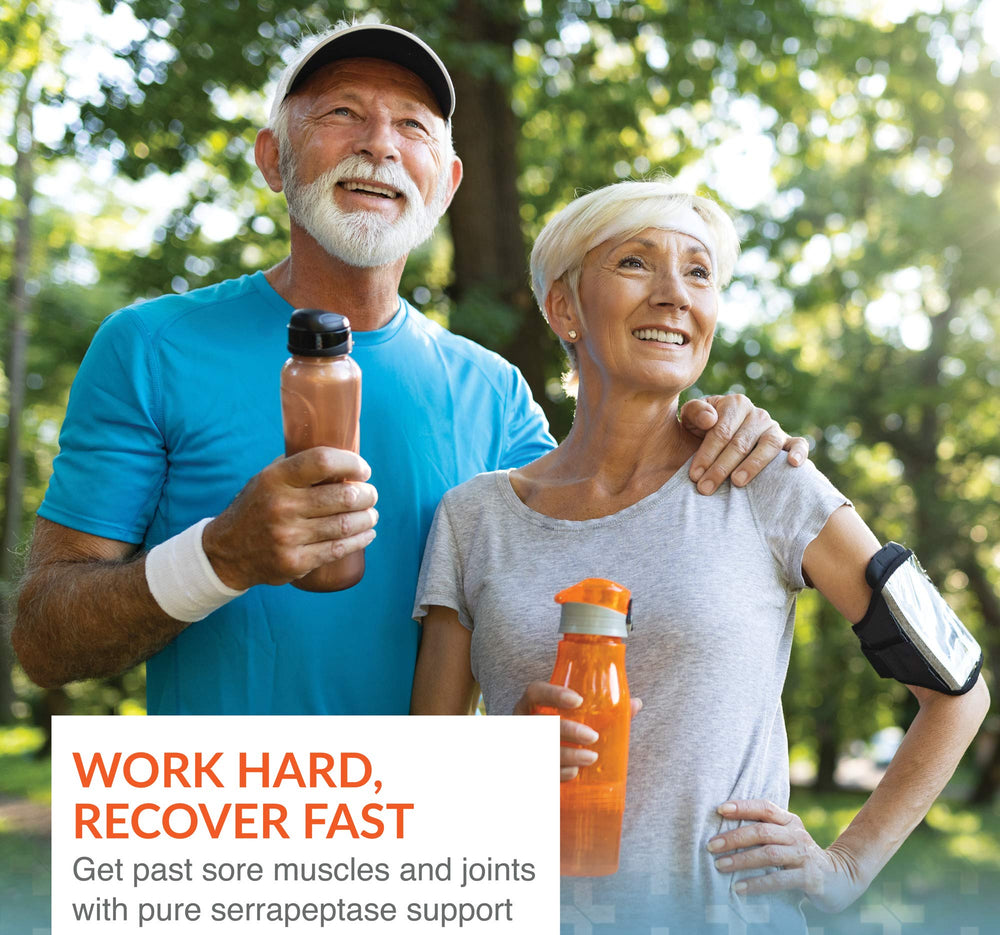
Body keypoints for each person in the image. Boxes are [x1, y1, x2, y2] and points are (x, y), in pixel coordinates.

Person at [13, 23, 806, 715]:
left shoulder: (494, 393)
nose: (380, 144)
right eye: (341, 113)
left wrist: (713, 428)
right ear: (272, 159)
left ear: (447, 182)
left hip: (432, 854)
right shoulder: (150, 347)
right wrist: (220, 556)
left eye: (415, 127)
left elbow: (595, 581)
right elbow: (44, 642)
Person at [410, 180, 989, 935]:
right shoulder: (474, 518)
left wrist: (846, 866)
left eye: (699, 273)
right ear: (564, 309)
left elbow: (956, 692)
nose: (673, 294)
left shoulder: (771, 481)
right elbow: (424, 780)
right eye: (634, 262)